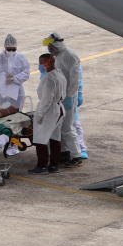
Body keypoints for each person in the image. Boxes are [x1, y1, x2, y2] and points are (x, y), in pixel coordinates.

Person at [45, 33, 83, 168]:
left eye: (50, 46)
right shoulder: (58, 56)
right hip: (60, 97)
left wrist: (71, 95)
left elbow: (75, 78)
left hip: (68, 97)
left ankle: (77, 155)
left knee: (67, 127)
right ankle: (65, 152)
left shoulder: (70, 56)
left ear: (56, 44)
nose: (49, 48)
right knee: (60, 127)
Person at [28, 52, 67, 174]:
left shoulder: (49, 78)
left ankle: (42, 165)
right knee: (55, 137)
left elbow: (47, 98)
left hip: (49, 110)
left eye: (41, 63)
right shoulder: (60, 74)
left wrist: (40, 113)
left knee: (40, 137)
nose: (40, 66)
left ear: (48, 62)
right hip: (59, 108)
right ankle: (54, 164)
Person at [0, 34, 29, 112]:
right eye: (9, 49)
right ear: (5, 47)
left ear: (16, 48)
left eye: (13, 49)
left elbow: (26, 72)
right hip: (0, 92)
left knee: (16, 113)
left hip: (17, 91)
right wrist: (3, 77)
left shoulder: (21, 58)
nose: (11, 51)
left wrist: (14, 78)